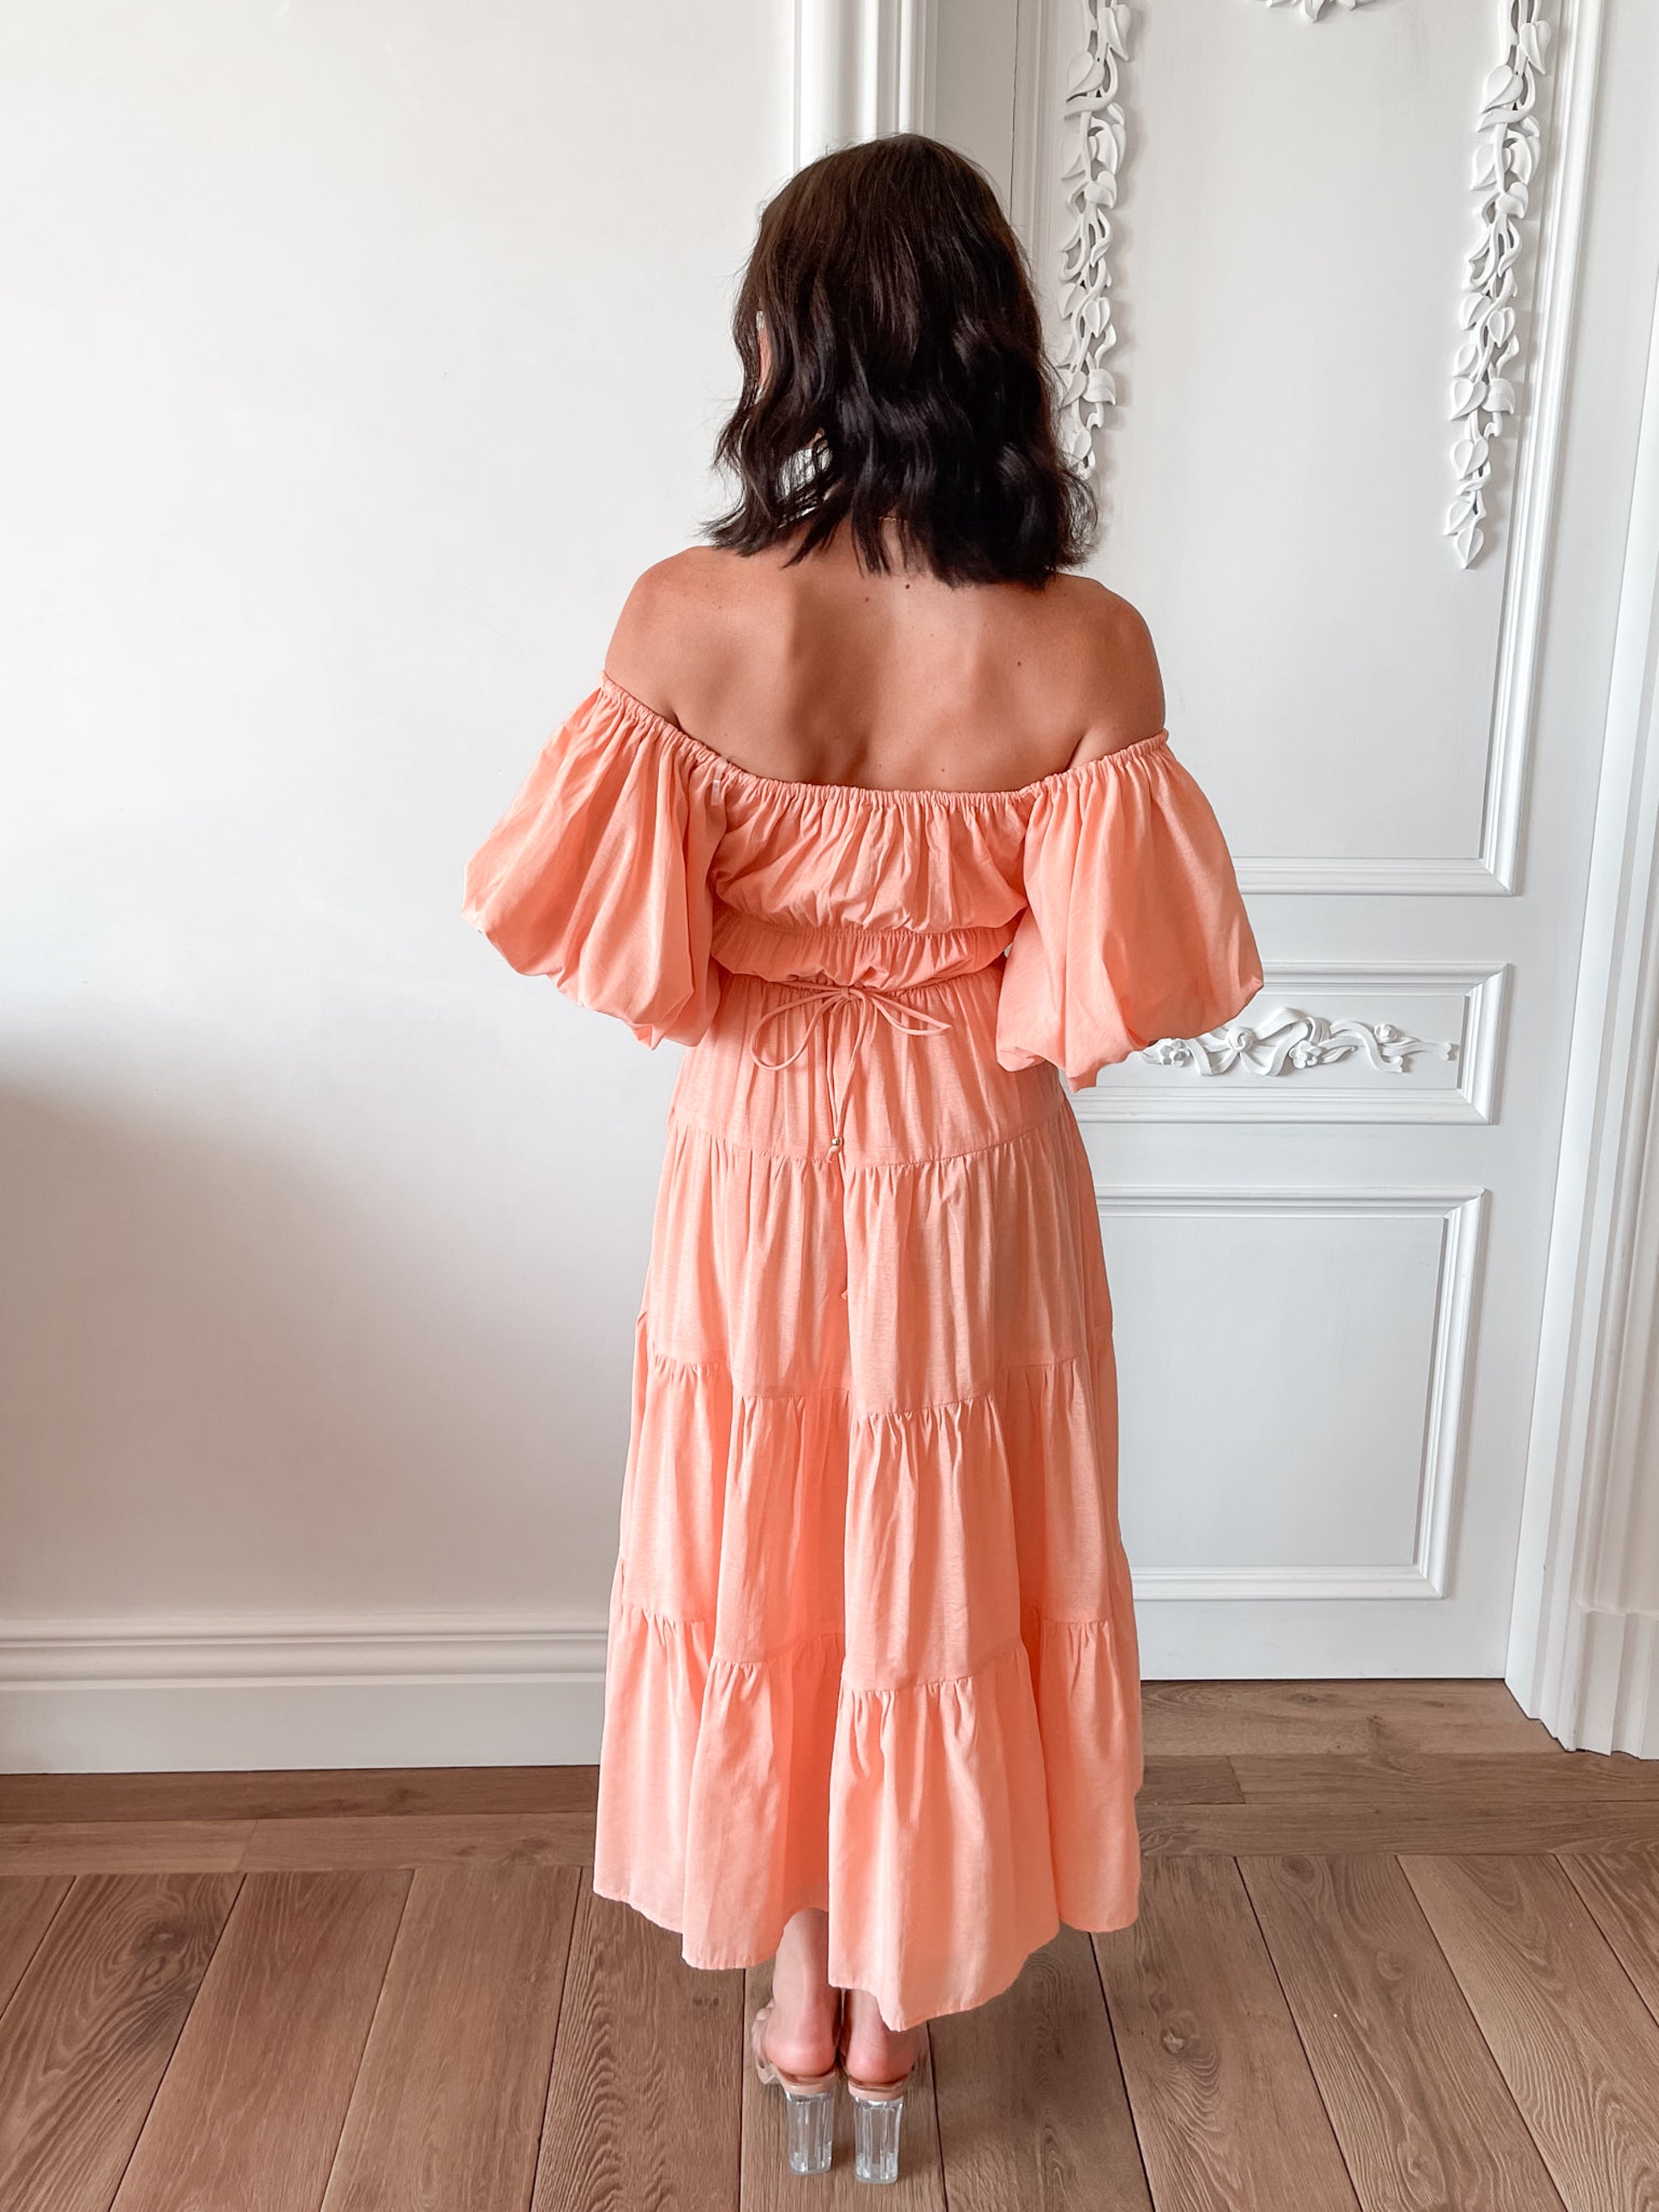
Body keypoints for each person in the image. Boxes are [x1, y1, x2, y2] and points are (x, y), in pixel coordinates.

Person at [463, 132, 1262, 2185]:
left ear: (787, 340)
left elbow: (610, 944)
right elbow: (1114, 985)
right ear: (989, 344)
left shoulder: (680, 621)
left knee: (772, 1566)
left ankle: (799, 1999)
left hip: (750, 1152)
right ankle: (891, 2035)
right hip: (971, 1158)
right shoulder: (1088, 651)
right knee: (936, 1570)